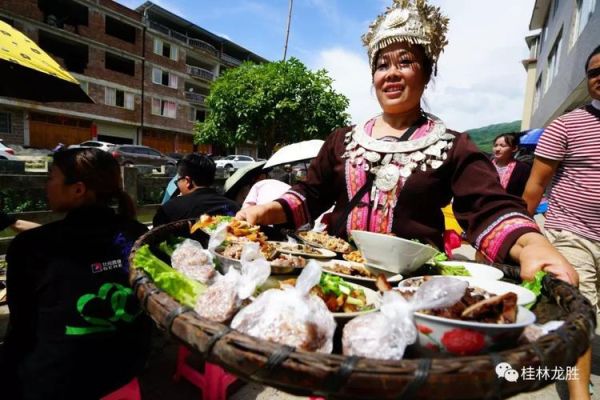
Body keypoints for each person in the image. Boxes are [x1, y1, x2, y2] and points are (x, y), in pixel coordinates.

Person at [238, 0, 576, 286]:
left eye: (405, 62)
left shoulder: (452, 145)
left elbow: (488, 208)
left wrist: (532, 245)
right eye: (382, 65)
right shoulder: (342, 139)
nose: (391, 73)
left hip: (413, 288)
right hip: (335, 277)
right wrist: (268, 209)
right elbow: (310, 195)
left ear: (427, 74)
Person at [1, 148, 151, 399]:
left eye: (50, 177)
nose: (45, 185)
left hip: (57, 381)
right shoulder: (138, 234)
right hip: (126, 367)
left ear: (78, 189)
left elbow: (22, 328)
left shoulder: (31, 248)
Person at [523, 44, 600, 400]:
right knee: (579, 312)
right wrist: (519, 237)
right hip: (572, 234)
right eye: (594, 72)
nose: (599, 78)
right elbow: (535, 187)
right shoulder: (566, 125)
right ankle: (579, 394)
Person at [153, 153, 239, 226]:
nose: (177, 185)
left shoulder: (169, 209)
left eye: (177, 182)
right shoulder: (232, 207)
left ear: (187, 181)